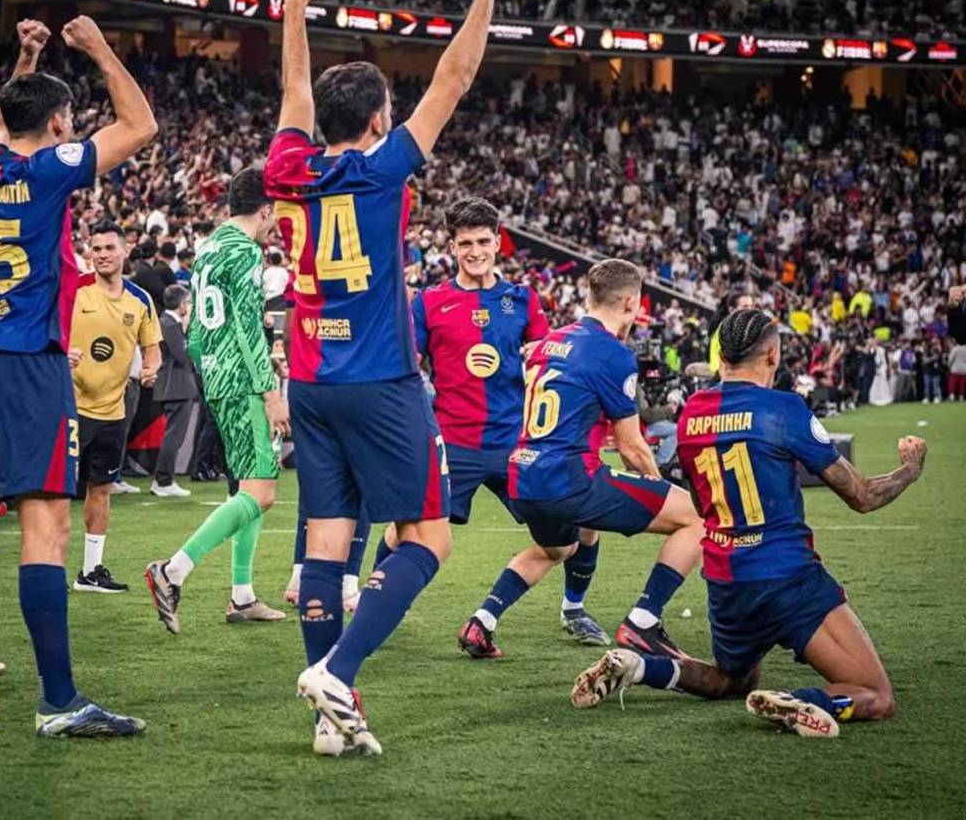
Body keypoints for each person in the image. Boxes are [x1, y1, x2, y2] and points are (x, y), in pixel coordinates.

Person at [263, 0, 508, 756]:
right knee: (426, 538)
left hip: (310, 378)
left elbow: (294, 94)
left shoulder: (287, 168)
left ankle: (328, 718)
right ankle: (341, 670)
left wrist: (294, 9)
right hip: (379, 381)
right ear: (376, 121)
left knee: (328, 545)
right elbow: (458, 75)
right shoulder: (384, 167)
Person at [0, 16, 157, 737]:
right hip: (29, 364)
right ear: (57, 122)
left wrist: (27, 56)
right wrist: (96, 48)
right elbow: (139, 123)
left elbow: (3, 123)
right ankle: (58, 702)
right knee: (47, 524)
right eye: (65, 121)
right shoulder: (49, 169)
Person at [571, 309, 928, 739]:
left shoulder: (691, 417)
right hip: (788, 578)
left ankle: (638, 666)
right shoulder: (783, 409)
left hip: (727, 582)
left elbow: (705, 508)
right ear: (773, 355)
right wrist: (910, 469)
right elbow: (863, 496)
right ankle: (805, 701)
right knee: (877, 695)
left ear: (719, 355)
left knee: (732, 680)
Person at [390, 196, 611, 654]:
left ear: (498, 242)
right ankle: (381, 603)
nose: (476, 251)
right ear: (452, 246)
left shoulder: (522, 299)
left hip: (517, 445)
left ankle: (573, 608)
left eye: (484, 241)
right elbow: (409, 366)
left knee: (572, 529)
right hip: (454, 442)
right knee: (406, 529)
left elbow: (547, 361)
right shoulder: (429, 302)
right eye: (465, 243)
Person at [476, 259, 705, 662]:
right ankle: (643, 621)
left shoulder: (550, 341)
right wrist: (659, 490)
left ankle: (482, 620)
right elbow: (632, 447)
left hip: (524, 474)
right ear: (631, 304)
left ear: (589, 294)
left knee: (557, 547)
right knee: (693, 518)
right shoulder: (612, 353)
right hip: (567, 478)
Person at [146, 167, 289, 630]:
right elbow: (248, 326)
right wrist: (269, 389)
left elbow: (198, 329)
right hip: (244, 380)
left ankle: (243, 596)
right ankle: (172, 571)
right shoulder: (246, 252)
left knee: (249, 489)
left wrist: (211, 371)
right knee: (262, 492)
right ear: (265, 209)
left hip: (219, 376)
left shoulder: (209, 248)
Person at [67, 219, 162, 593]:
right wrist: (60, 351)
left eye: (109, 248)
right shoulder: (72, 290)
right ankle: (43, 566)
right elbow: (43, 328)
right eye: (96, 248)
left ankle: (91, 572)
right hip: (67, 408)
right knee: (55, 494)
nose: (102, 255)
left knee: (101, 489)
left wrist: (152, 368)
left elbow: (151, 347)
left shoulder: (140, 300)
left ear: (125, 251)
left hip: (112, 411)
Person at [150, 284, 198, 497]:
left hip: (175, 386)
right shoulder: (169, 324)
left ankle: (164, 479)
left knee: (174, 435)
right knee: (174, 436)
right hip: (175, 386)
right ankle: (163, 480)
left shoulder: (167, 322)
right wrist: (186, 329)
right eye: (187, 302)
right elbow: (184, 357)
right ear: (181, 305)